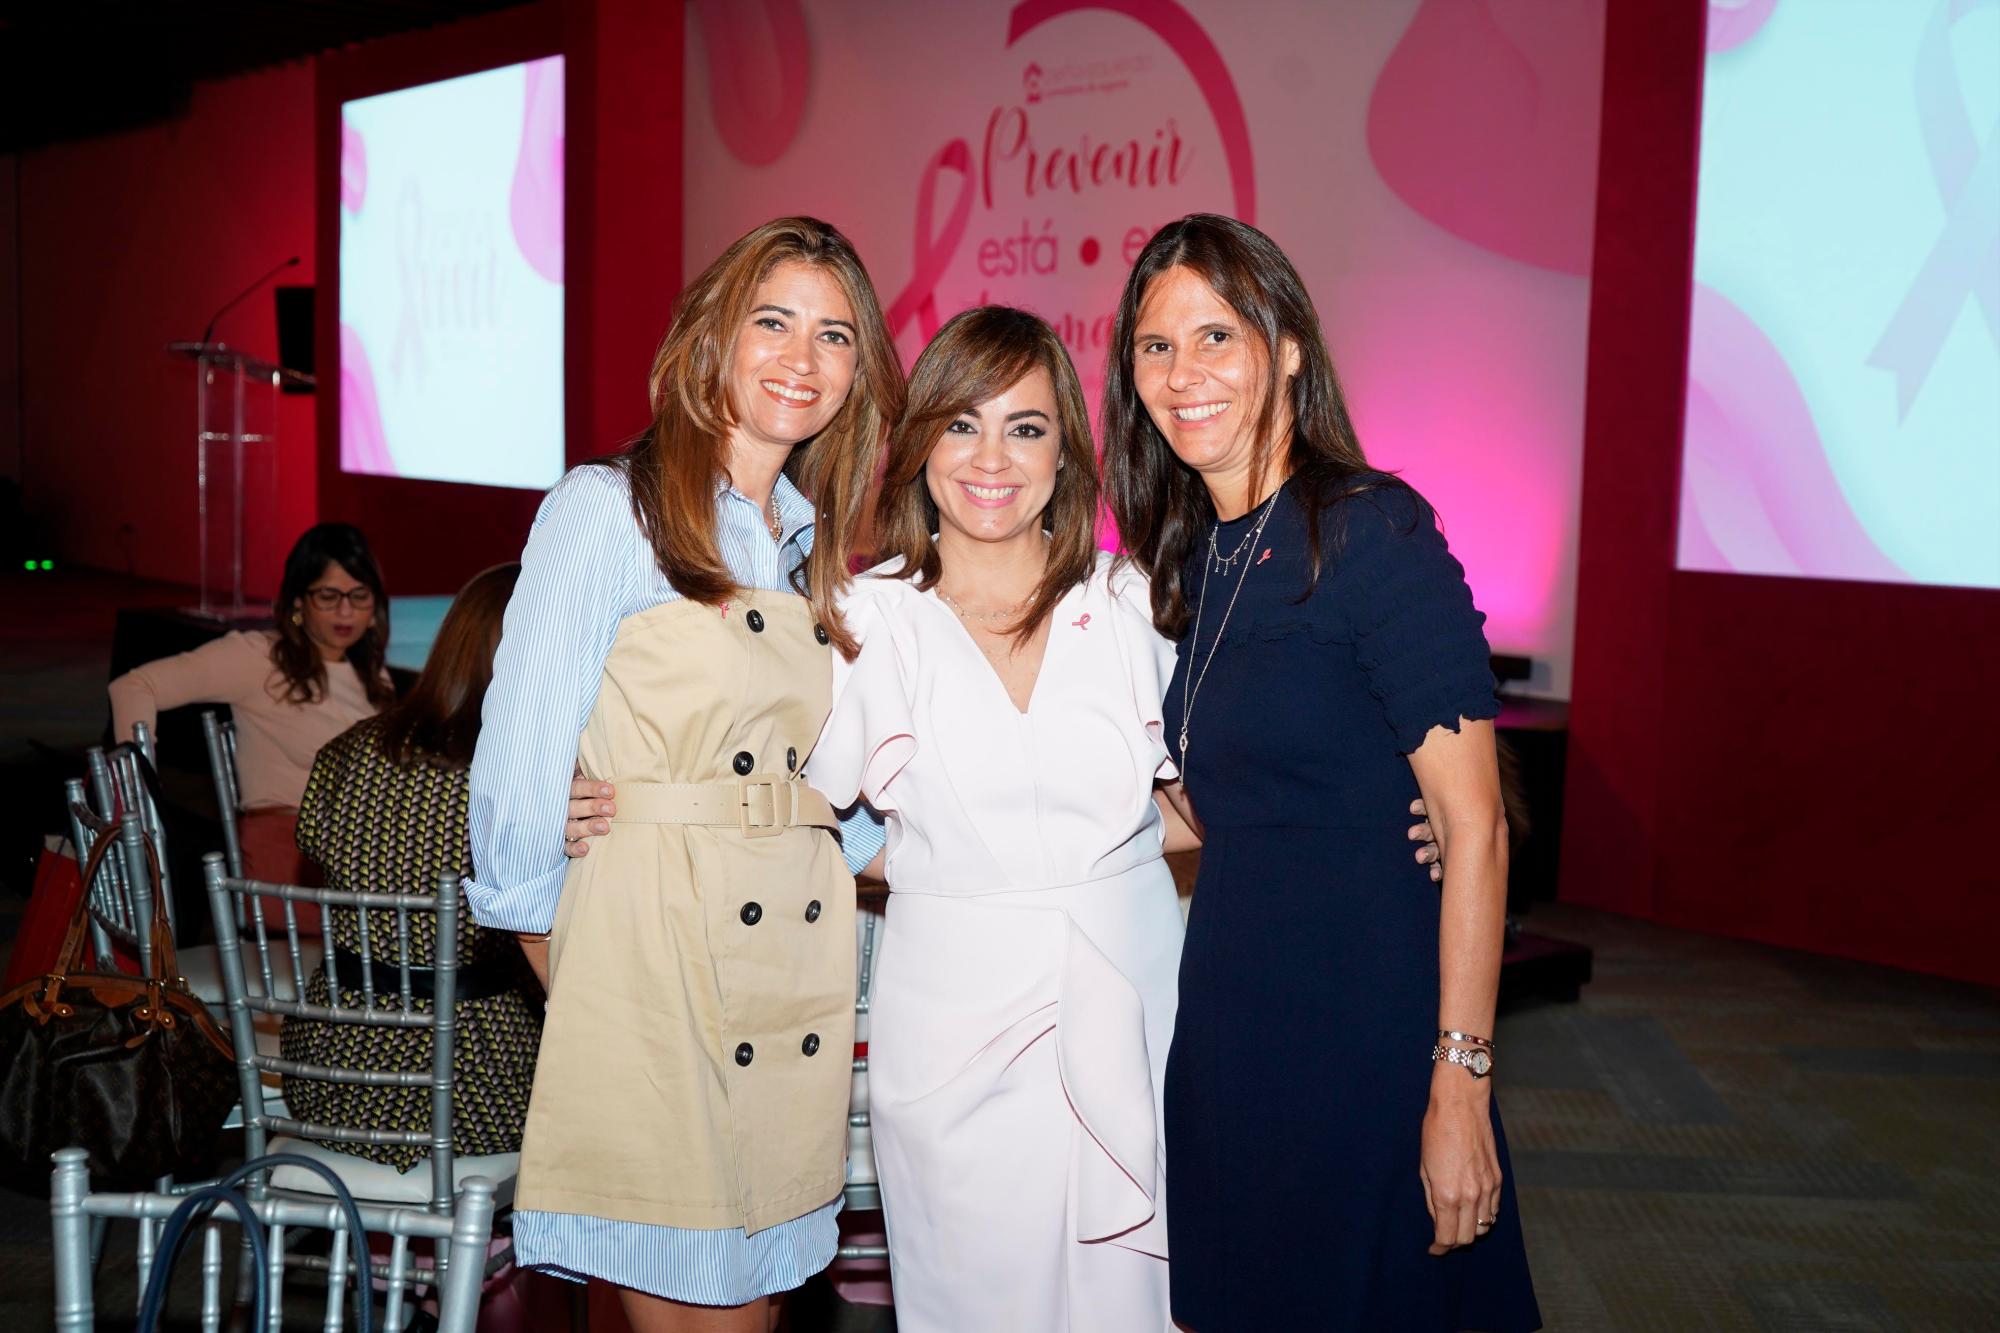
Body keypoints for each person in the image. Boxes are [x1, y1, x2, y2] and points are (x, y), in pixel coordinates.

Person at [1104, 214, 1541, 1331]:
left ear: (1286, 345)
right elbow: (1219, 808)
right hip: (1231, 1030)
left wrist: (1459, 1081)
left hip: (1363, 1033)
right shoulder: (1196, 560)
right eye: (1155, 347)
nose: (1182, 373)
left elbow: (1473, 828)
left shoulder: (1371, 532)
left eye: (1215, 336)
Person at [466, 217, 902, 1333]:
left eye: (834, 335)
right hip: (653, 971)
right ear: (711, 332)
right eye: (772, 320)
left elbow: (828, 794)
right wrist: (592, 988)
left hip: (783, 974)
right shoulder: (603, 510)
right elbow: (515, 787)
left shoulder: (808, 549)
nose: (800, 358)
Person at [807, 307, 1188, 1332]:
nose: (990, 457)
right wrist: (625, 801)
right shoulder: (863, 618)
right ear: (919, 438)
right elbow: (788, 814)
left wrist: (1377, 820)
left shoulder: (1130, 603)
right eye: (961, 423)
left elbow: (1205, 810)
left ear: (1065, 448)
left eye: (1024, 427)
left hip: (1133, 997)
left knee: (1138, 1302)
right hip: (952, 1025)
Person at [279, 562, 542, 1169]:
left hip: (331, 1073)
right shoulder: (527, 778)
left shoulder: (345, 753)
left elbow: (318, 848)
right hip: (475, 1088)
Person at [109, 523, 395, 884]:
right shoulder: (259, 658)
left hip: (358, 854)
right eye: (328, 596)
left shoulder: (372, 676)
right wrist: (139, 793)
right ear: (297, 602)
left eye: (359, 596)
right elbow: (135, 686)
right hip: (295, 860)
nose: (345, 611)